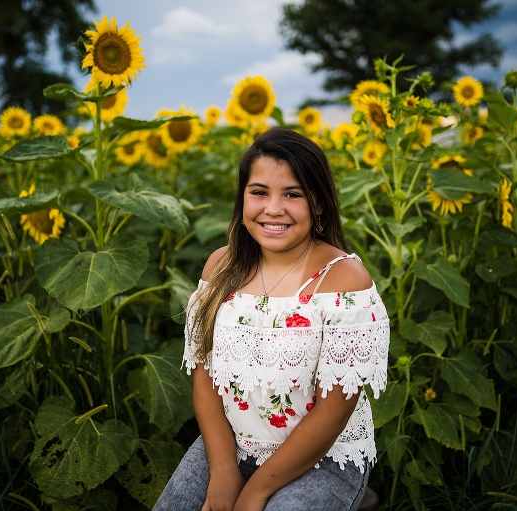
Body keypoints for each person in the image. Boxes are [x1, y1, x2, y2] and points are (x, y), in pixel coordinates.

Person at [153, 127, 390, 511]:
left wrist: (256, 491)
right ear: (242, 199)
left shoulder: (343, 281)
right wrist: (225, 472)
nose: (273, 208)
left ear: (318, 206)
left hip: (321, 459)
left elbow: (333, 412)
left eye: (292, 194)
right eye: (259, 192)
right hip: (228, 443)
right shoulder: (221, 267)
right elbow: (205, 375)